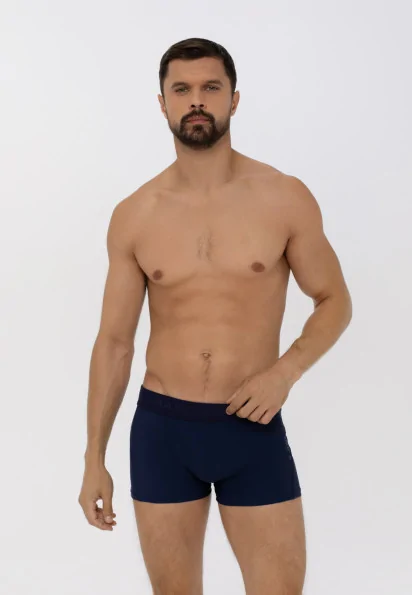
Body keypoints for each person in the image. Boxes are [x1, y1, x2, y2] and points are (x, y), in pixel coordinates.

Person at [78, 37, 352, 595]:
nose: (196, 100)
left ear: (234, 98)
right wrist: (93, 458)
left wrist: (285, 373)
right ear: (163, 103)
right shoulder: (136, 214)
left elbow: (334, 300)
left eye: (211, 87)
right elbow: (114, 343)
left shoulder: (283, 197)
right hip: (162, 431)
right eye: (182, 90)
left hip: (251, 426)